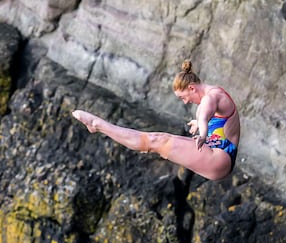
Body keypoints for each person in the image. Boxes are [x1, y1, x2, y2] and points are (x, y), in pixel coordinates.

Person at [71, 60, 240, 180]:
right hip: (217, 155)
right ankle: (99, 126)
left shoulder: (211, 98)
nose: (186, 101)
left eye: (183, 97)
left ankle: (98, 125)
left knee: (156, 140)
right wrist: (199, 125)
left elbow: (204, 117)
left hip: (218, 160)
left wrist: (203, 133)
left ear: (191, 88)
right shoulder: (214, 94)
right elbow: (215, 120)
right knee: (158, 139)